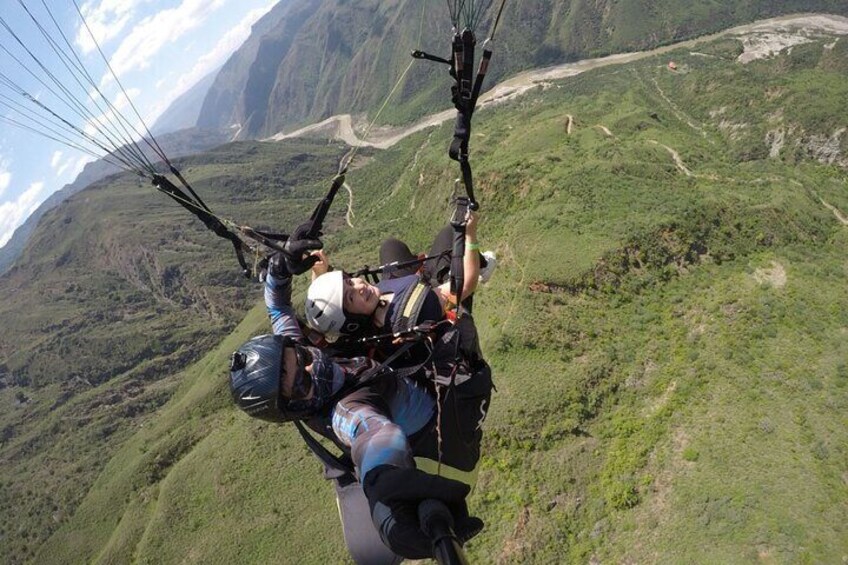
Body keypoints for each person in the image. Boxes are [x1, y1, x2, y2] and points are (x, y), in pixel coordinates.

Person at [230, 237, 493, 563]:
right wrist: (382, 482)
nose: (310, 367)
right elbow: (374, 435)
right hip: (442, 418)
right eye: (300, 383)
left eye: (299, 355)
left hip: (398, 377)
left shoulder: (296, 356)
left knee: (394, 256)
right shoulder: (346, 410)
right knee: (456, 326)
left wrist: (282, 268)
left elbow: (278, 306)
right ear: (292, 408)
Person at [304, 212, 493, 345]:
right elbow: (465, 284)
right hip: (427, 299)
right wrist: (470, 235)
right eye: (350, 297)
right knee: (451, 233)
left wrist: (320, 277)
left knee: (390, 246)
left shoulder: (352, 334)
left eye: (349, 281)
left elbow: (327, 324)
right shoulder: (414, 311)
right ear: (351, 322)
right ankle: (481, 264)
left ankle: (423, 273)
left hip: (402, 294)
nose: (358, 286)